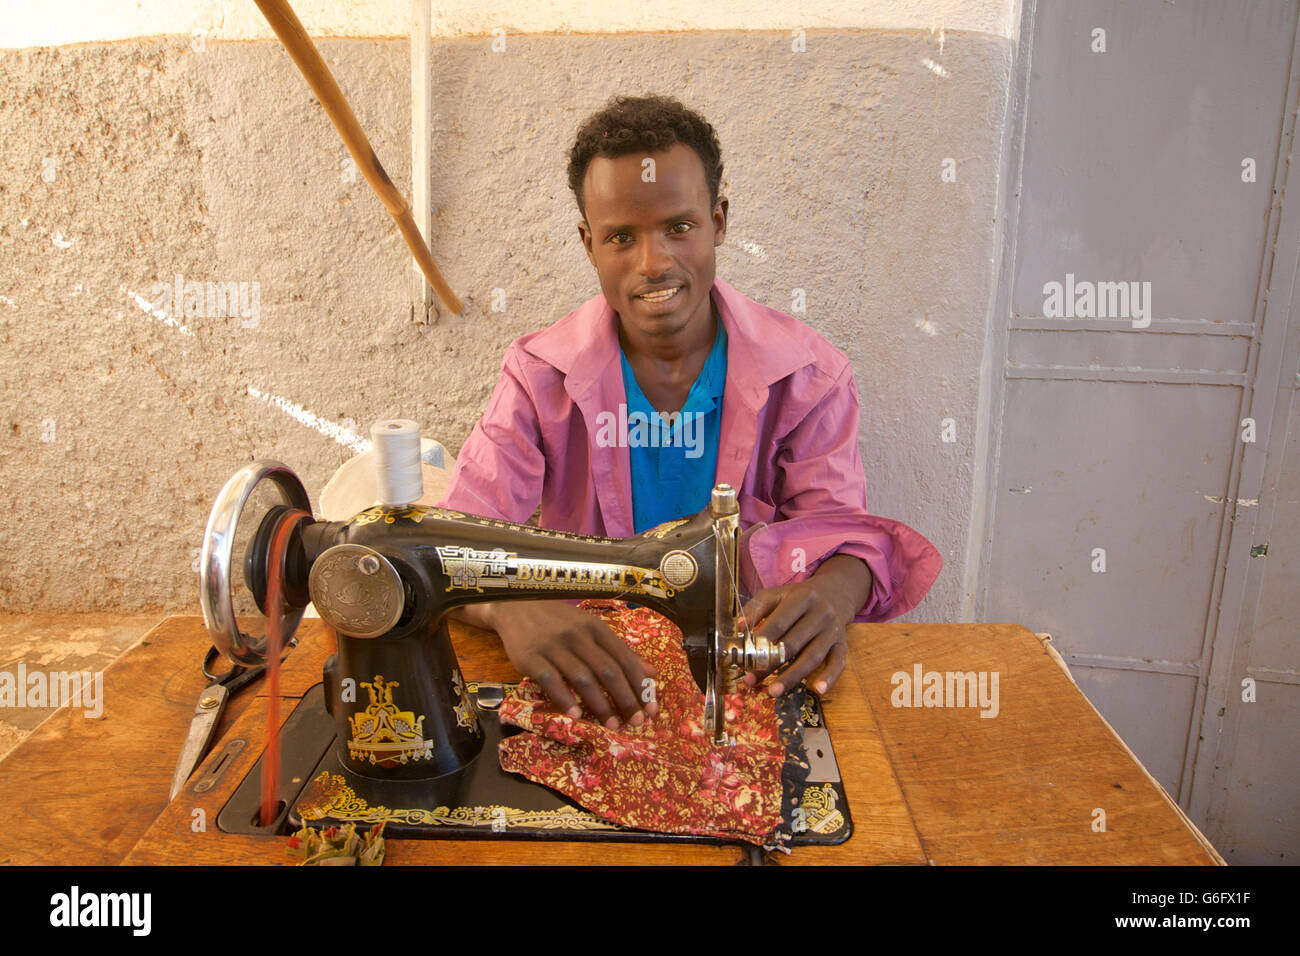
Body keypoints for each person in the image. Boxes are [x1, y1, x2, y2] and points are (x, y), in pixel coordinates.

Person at [438, 94, 941, 731]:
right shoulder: (540, 378)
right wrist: (510, 609)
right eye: (621, 237)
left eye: (679, 227)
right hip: (595, 673)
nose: (654, 263)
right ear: (589, 243)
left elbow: (842, 535)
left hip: (745, 672)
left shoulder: (806, 377)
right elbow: (451, 544)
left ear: (718, 221)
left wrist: (833, 594)